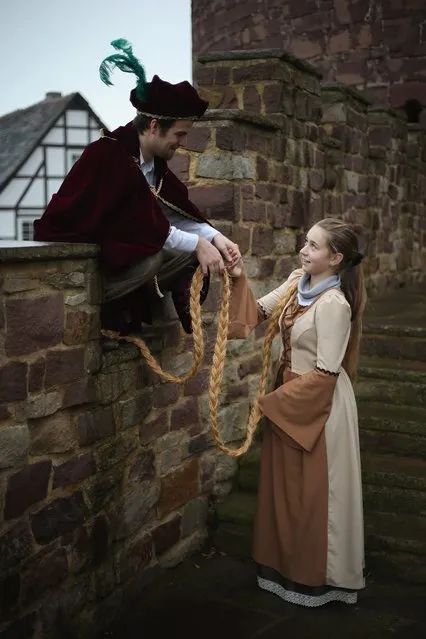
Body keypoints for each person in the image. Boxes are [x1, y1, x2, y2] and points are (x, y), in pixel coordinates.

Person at [34, 39, 240, 337]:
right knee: (154, 254)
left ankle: (167, 305)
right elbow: (143, 228)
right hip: (89, 266)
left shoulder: (153, 164)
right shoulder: (109, 156)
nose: (182, 144)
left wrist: (216, 238)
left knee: (184, 251)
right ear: (154, 126)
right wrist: (198, 244)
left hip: (120, 259)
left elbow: (170, 216)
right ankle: (114, 312)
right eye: (179, 135)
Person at [227, 217, 367, 607]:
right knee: (285, 491)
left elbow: (325, 374)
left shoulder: (335, 305)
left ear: (336, 258)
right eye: (305, 243)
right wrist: (239, 275)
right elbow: (254, 313)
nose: (303, 251)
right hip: (290, 398)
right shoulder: (296, 283)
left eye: (313, 246)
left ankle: (314, 577)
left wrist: (271, 404)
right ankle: (281, 566)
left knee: (312, 495)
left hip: (316, 410)